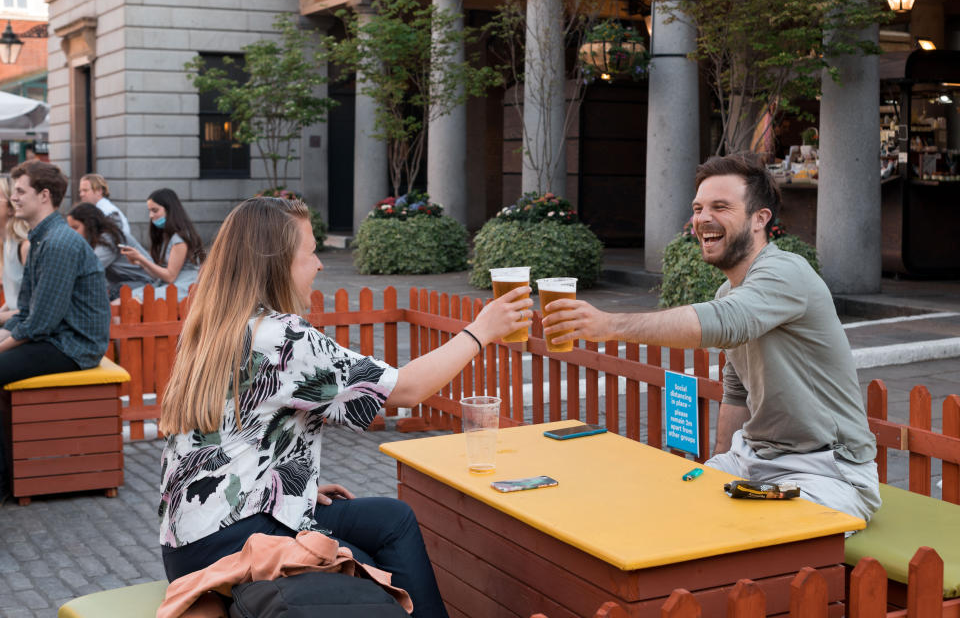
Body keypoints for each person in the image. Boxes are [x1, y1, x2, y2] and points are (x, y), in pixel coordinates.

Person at [157, 196, 533, 617]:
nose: (319, 264)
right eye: (311, 251)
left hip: (190, 540)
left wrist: (285, 484)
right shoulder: (283, 337)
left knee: (393, 519)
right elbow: (405, 390)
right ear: (278, 262)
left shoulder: (216, 325)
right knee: (371, 576)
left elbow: (211, 441)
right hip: (234, 541)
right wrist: (482, 330)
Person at [541, 153, 880, 523]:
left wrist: (609, 325)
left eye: (720, 206)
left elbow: (725, 322)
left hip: (828, 471)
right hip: (754, 460)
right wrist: (717, 465)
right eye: (698, 207)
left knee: (741, 532)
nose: (703, 218)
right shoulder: (728, 292)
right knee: (666, 507)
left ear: (759, 219)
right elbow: (737, 391)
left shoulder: (786, 271)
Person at [0, 161, 111, 502]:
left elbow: (41, 323)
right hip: (56, 337)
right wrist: (5, 332)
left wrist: (3, 344)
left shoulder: (59, 242)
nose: (13, 198)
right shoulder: (41, 238)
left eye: (20, 191)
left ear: (44, 196)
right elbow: (29, 312)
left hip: (74, 345)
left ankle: (4, 481)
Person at [122, 188, 204, 301]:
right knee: (124, 299)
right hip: (169, 285)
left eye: (155, 210)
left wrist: (142, 258)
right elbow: (160, 274)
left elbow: (170, 276)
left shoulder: (179, 239)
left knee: (134, 301)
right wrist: (139, 262)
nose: (151, 215)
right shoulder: (166, 235)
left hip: (184, 287)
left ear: (170, 210)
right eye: (149, 211)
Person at [67, 202, 155, 301]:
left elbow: (88, 267)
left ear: (89, 225)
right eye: (69, 228)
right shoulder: (94, 239)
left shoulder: (109, 238)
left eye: (75, 227)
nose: (71, 233)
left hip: (142, 284)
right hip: (128, 284)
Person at [0, 177, 29, 324]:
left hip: (26, 331)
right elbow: (14, 299)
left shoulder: (24, 247)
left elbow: (34, 310)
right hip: (14, 323)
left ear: (11, 209)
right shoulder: (5, 244)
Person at [77, 173, 135, 239]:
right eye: (80, 191)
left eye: (85, 190)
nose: (81, 194)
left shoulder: (107, 211)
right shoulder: (100, 209)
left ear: (99, 191)